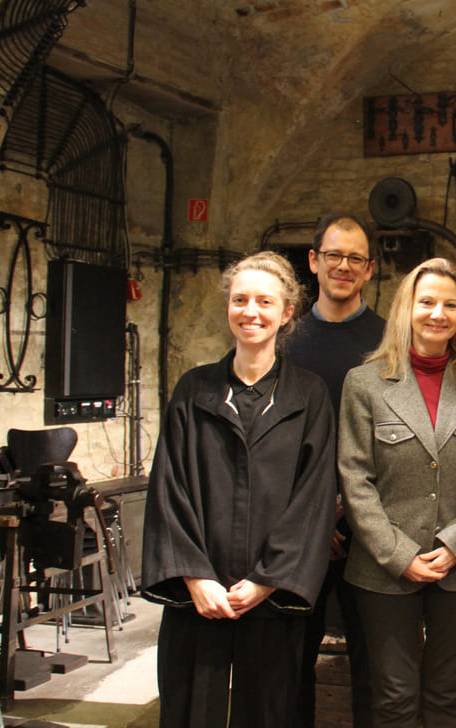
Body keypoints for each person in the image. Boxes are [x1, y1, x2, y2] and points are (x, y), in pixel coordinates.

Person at [141, 251, 336, 727]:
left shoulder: (308, 396)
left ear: (287, 313)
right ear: (228, 306)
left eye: (264, 301)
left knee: (271, 710)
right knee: (190, 710)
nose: (251, 311)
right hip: (199, 597)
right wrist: (195, 576)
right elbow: (170, 487)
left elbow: (313, 499)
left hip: (269, 596)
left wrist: (268, 578)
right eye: (240, 300)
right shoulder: (194, 390)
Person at [338, 257, 456, 727]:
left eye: (450, 305)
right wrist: (398, 554)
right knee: (392, 696)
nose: (438, 313)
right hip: (384, 567)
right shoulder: (365, 383)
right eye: (427, 301)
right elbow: (354, 479)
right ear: (406, 308)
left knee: (448, 692)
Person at [284, 213, 385, 728]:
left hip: (371, 531)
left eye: (354, 258)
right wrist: (316, 514)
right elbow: (276, 444)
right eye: (333, 255)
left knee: (376, 666)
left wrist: (352, 513)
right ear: (314, 261)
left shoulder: (391, 343)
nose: (343, 266)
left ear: (368, 269)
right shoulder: (286, 342)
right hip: (298, 531)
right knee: (292, 663)